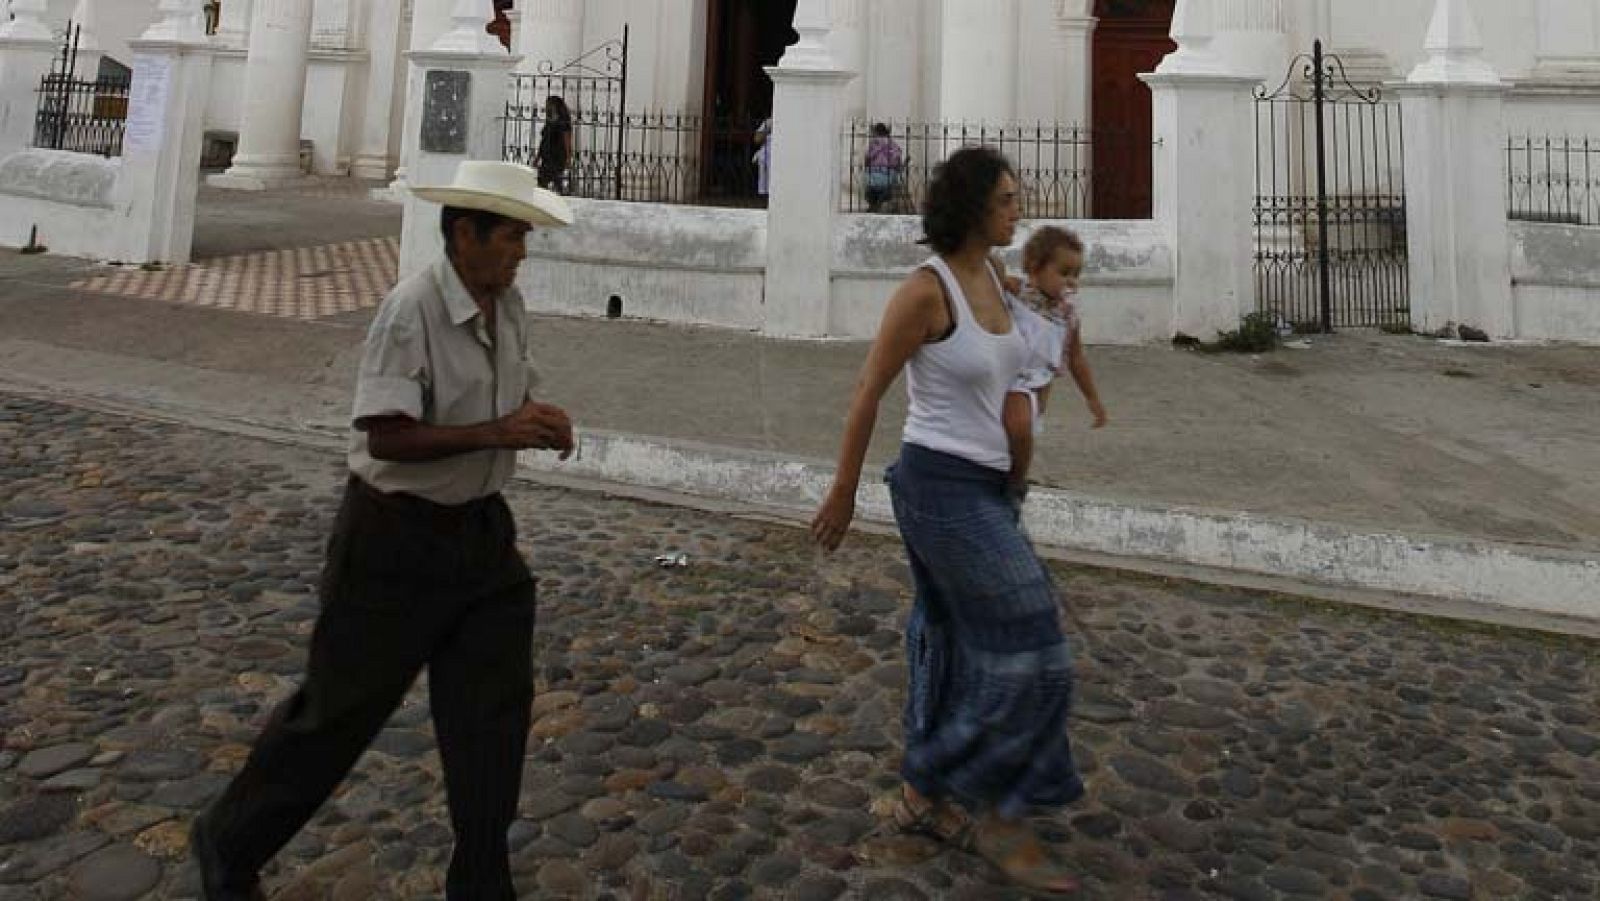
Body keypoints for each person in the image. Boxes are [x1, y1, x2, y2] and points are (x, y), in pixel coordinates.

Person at [189, 161, 577, 901]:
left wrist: (539, 418)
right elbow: (387, 433)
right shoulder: (412, 310)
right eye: (513, 236)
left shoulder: (509, 303)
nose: (522, 250)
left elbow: (506, 395)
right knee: (337, 714)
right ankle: (229, 837)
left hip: (483, 540)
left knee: (493, 715)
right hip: (393, 542)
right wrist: (499, 428)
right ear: (465, 233)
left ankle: (481, 880)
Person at [810, 146, 1082, 896]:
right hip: (936, 485)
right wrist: (842, 491)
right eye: (1005, 199)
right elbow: (868, 392)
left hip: (990, 487)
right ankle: (987, 796)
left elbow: (1023, 368)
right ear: (969, 207)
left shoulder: (994, 277)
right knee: (1034, 636)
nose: (1018, 209)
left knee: (940, 633)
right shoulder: (924, 293)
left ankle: (922, 796)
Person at [1001, 226, 1107, 502]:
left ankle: (1012, 483)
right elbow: (989, 274)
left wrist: (1092, 399)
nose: (1072, 282)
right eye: (1064, 272)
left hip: (1036, 395)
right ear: (1035, 268)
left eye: (1076, 275)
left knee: (1021, 440)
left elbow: (1076, 357)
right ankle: (1012, 483)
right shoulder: (1017, 292)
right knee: (1011, 436)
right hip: (1007, 385)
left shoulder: (1068, 315)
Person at [535, 95, 573, 194]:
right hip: (547, 156)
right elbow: (543, 140)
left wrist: (568, 157)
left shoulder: (563, 122)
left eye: (549, 104)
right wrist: (538, 157)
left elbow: (567, 140)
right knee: (543, 180)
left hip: (557, 156)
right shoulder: (549, 121)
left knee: (555, 180)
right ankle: (547, 197)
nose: (546, 106)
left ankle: (560, 197)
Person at [864, 122, 905, 213]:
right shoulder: (893, 145)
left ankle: (874, 206)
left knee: (871, 191)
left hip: (872, 179)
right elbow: (897, 161)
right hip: (888, 179)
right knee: (887, 191)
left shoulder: (874, 144)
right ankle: (878, 205)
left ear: (876, 132)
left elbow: (867, 159)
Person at [753, 116, 772, 198]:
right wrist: (767, 130)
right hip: (767, 153)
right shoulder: (768, 122)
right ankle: (764, 195)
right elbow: (757, 139)